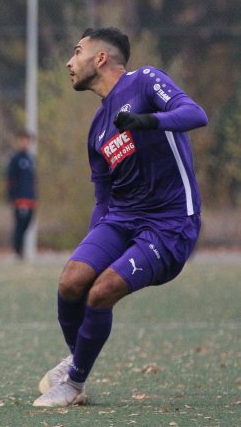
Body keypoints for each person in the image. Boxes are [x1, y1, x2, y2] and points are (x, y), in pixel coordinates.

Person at [33, 27, 208, 408]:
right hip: (122, 218)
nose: (68, 62)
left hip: (170, 224)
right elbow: (104, 197)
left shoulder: (144, 81)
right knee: (72, 280)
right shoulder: (97, 129)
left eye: (76, 52)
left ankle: (74, 383)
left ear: (100, 58)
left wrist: (148, 122)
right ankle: (77, 357)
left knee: (102, 291)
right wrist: (93, 242)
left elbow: (195, 114)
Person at [6, 130, 37, 259]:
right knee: (19, 226)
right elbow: (10, 180)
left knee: (27, 226)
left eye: (27, 140)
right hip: (20, 200)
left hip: (31, 199)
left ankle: (20, 251)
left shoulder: (31, 158)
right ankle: (17, 252)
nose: (25, 143)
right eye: (23, 140)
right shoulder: (15, 159)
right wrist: (13, 197)